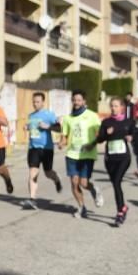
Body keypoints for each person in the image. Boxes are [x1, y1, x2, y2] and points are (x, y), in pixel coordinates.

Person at [60, 90, 103, 219]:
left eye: (79, 100)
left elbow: (100, 134)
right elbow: (65, 136)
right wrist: (61, 143)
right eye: (74, 100)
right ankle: (81, 207)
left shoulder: (92, 115)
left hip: (87, 154)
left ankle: (94, 189)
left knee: (84, 184)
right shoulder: (68, 118)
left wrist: (93, 144)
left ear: (84, 101)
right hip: (72, 154)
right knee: (74, 182)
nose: (76, 102)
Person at [93, 97, 134, 226]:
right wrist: (106, 133)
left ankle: (120, 213)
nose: (113, 108)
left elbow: (134, 134)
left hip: (124, 158)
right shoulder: (106, 122)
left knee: (116, 182)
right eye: (112, 106)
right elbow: (100, 139)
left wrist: (131, 137)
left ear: (122, 107)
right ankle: (124, 207)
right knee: (116, 184)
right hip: (110, 158)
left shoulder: (129, 122)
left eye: (116, 106)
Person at [23, 91, 63, 210]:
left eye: (38, 102)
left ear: (43, 102)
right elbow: (32, 128)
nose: (35, 104)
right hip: (33, 148)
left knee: (48, 172)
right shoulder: (31, 116)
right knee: (32, 173)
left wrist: (48, 127)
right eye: (34, 102)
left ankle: (56, 179)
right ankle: (32, 199)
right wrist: (27, 127)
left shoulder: (49, 115)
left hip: (46, 148)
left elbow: (59, 128)